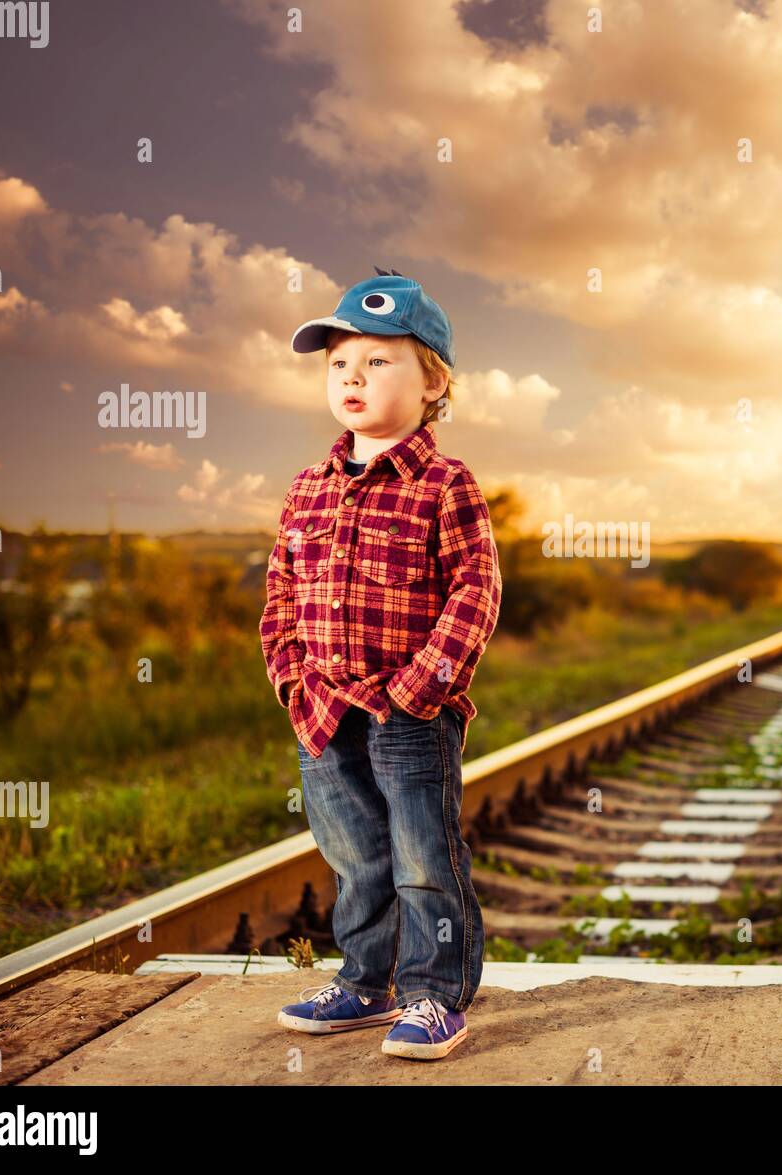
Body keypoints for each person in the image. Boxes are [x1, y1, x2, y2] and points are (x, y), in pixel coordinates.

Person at [260, 270, 502, 1060]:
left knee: (424, 857)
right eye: (338, 364)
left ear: (434, 379)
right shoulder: (307, 488)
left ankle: (435, 995)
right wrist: (293, 680)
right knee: (354, 854)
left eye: (377, 362)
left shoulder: (446, 483)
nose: (352, 377)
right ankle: (366, 980)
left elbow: (476, 587)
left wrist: (419, 688)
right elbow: (281, 591)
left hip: (410, 711)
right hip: (324, 710)